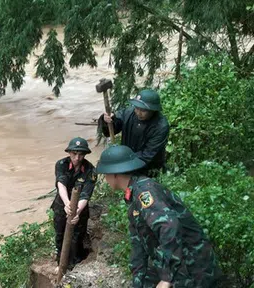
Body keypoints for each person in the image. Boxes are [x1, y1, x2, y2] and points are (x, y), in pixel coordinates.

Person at [96, 145, 222, 288]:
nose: (105, 178)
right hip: (176, 263)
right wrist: (138, 281)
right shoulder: (133, 196)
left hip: (193, 265)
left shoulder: (144, 192)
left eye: (105, 174)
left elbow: (169, 226)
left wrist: (167, 277)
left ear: (115, 174)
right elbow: (138, 245)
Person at [50, 137, 98, 271]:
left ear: (85, 155)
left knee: (77, 235)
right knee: (60, 233)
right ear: (69, 152)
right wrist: (66, 204)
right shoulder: (61, 164)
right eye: (74, 153)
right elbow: (61, 183)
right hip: (61, 204)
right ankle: (61, 263)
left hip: (81, 208)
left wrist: (76, 212)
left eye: (81, 154)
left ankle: (75, 264)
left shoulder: (91, 170)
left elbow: (86, 194)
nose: (77, 157)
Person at [98, 89, 169, 177]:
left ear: (153, 110)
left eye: (143, 110)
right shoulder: (128, 113)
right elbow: (111, 130)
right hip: (127, 164)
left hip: (149, 169)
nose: (138, 113)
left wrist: (123, 160)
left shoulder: (160, 126)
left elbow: (148, 154)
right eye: (136, 108)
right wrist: (109, 120)